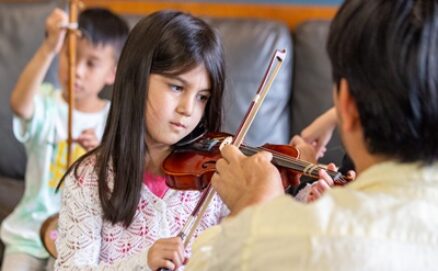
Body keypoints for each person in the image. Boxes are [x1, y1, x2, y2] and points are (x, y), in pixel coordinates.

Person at [186, 0, 438, 270]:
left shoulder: (301, 240)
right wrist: (336, 114)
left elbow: (205, 263)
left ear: (347, 104)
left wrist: (252, 206)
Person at [55, 10, 228, 270]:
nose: (188, 109)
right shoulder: (88, 180)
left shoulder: (216, 177)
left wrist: (305, 197)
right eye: (177, 87)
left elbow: (266, 240)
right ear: (136, 80)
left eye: (202, 97)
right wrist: (142, 263)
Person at [1, 8, 129, 271]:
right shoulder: (46, 103)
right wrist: (49, 47)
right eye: (70, 56)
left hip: (78, 233)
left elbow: (120, 183)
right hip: (29, 230)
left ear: (112, 73)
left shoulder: (112, 120)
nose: (77, 71)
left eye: (91, 63)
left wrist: (102, 155)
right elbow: (19, 105)